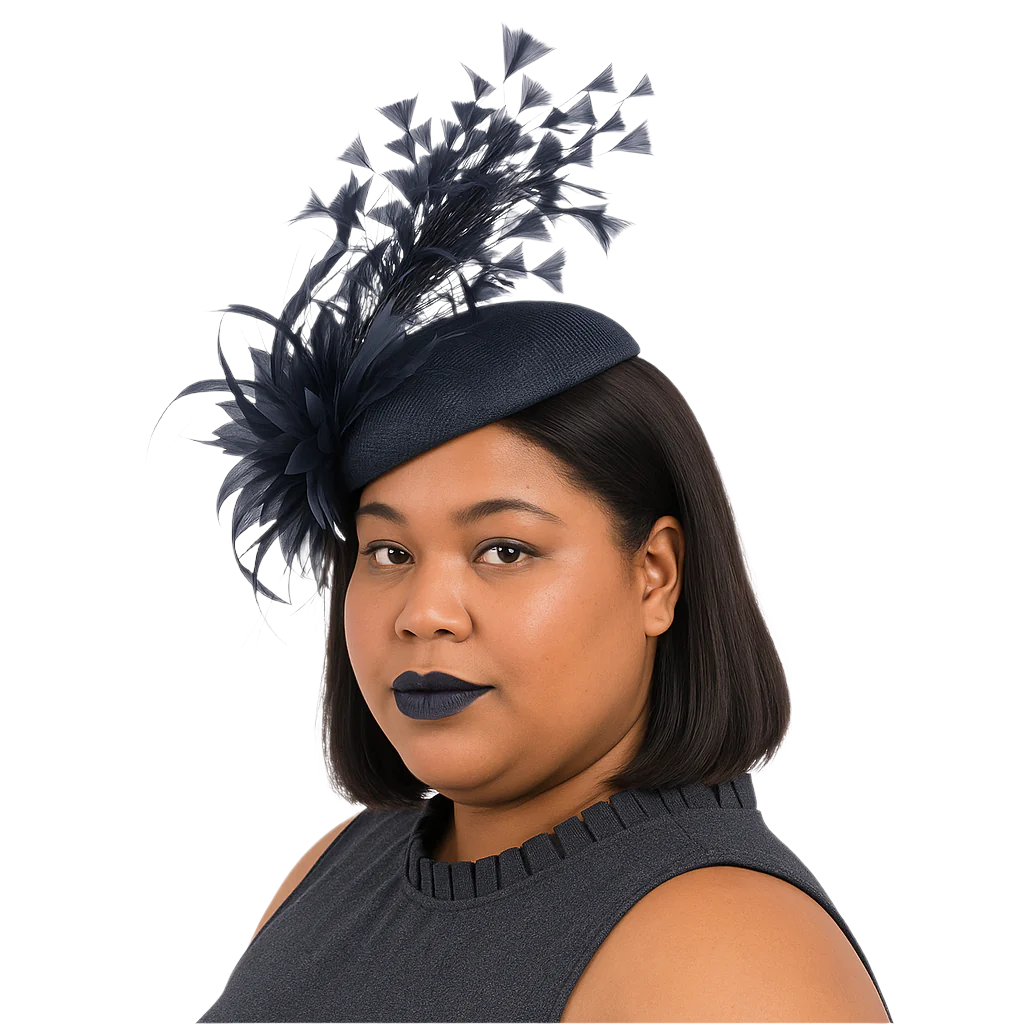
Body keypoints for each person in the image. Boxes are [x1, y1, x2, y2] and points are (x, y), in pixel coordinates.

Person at [162, 24, 892, 1024]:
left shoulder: (726, 950)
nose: (425, 611)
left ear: (655, 575)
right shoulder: (338, 869)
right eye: (388, 550)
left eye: (504, 549)